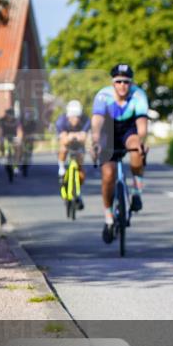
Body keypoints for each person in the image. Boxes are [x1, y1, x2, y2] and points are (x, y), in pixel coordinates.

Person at [91, 64, 149, 243]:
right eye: (118, 81)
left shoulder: (138, 95)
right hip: (108, 132)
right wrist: (95, 142)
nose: (122, 85)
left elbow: (141, 126)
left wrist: (142, 141)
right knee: (108, 174)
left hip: (128, 130)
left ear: (131, 83)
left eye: (126, 82)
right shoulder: (103, 96)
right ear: (113, 82)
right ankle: (108, 218)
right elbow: (97, 122)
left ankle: (137, 192)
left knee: (136, 148)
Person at [56, 100, 89, 209]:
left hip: (79, 145)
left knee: (81, 170)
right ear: (68, 116)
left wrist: (74, 136)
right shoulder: (61, 121)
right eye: (73, 117)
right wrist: (73, 136)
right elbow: (64, 140)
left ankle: (77, 192)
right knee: (63, 148)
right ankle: (61, 169)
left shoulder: (85, 120)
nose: (75, 119)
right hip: (67, 143)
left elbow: (83, 138)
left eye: (77, 117)